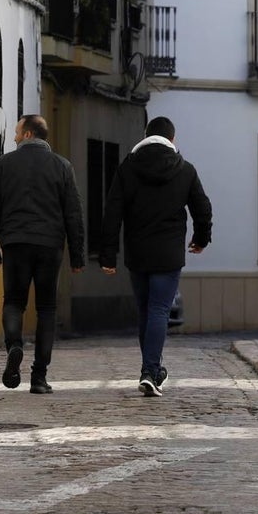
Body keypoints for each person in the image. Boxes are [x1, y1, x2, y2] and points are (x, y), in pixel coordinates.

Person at [99, 117, 212, 397]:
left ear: (145, 136)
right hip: (169, 253)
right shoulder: (185, 170)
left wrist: (107, 255)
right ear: (172, 140)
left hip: (138, 253)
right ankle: (151, 370)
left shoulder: (128, 167)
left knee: (146, 311)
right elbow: (203, 208)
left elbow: (112, 212)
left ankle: (151, 369)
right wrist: (200, 239)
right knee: (159, 310)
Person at [0, 114, 85, 395]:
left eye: (17, 132)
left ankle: (14, 344)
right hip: (49, 246)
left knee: (14, 302)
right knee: (47, 309)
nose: (14, 137)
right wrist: (77, 255)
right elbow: (73, 213)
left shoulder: (4, 165)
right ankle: (39, 378)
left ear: (28, 134)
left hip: (15, 243)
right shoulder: (63, 166)